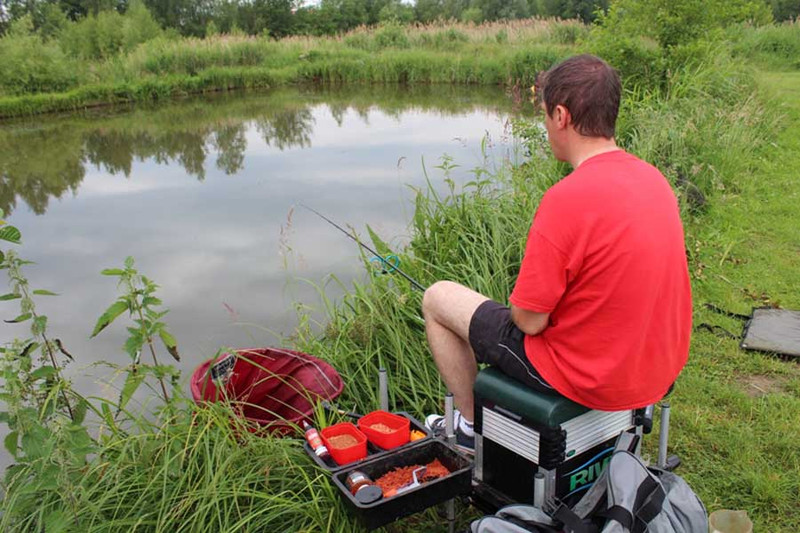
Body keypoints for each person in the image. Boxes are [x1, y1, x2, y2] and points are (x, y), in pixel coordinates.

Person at [423, 54, 692, 452]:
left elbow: (530, 322)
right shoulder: (653, 180)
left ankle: (469, 427)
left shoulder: (567, 198)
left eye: (546, 114)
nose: (547, 125)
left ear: (562, 116)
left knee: (438, 298)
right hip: (656, 369)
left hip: (590, 378)